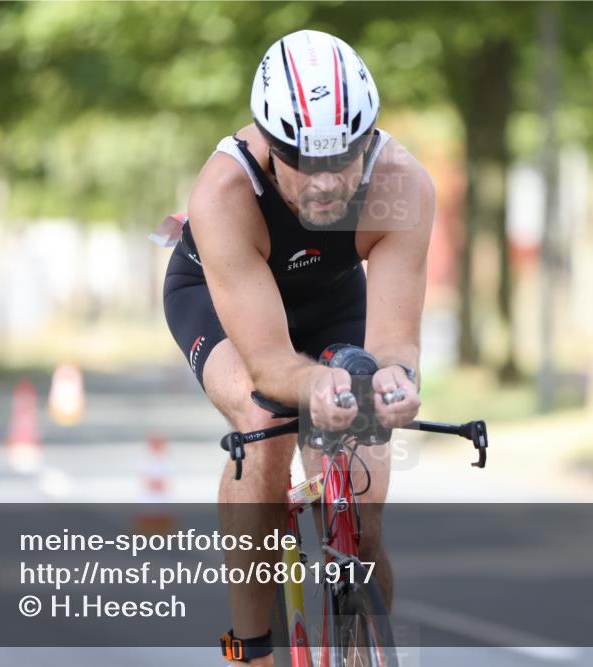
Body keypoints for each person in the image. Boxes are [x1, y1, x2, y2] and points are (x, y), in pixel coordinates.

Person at [162, 29, 435, 666]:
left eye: (342, 159)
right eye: (305, 163)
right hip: (222, 301)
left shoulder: (402, 184)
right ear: (269, 144)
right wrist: (315, 388)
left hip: (331, 300)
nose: (325, 184)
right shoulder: (226, 192)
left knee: (363, 511)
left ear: (368, 143)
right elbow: (272, 366)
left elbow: (396, 343)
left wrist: (395, 385)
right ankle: (251, 644)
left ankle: (365, 634)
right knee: (267, 418)